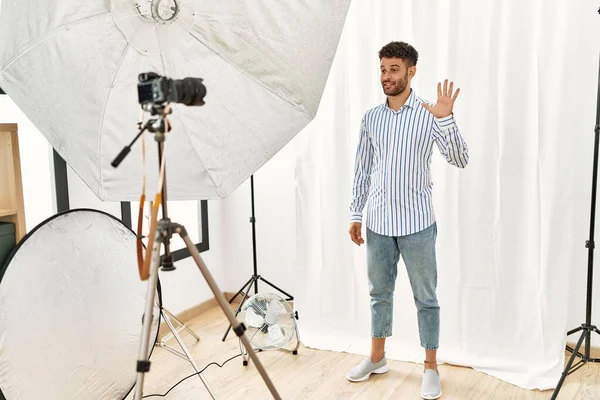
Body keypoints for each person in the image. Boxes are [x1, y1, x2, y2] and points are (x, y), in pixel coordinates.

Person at [346, 41, 469, 400]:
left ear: (411, 71)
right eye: (383, 69)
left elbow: (460, 159)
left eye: (394, 69)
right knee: (378, 294)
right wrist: (356, 212)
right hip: (378, 223)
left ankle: (430, 368)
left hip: (417, 224)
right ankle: (377, 358)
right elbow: (362, 170)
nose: (387, 76)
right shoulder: (371, 118)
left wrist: (445, 117)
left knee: (425, 298)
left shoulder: (429, 113)